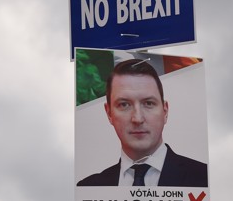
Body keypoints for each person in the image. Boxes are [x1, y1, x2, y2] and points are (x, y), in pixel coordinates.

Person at [77, 58, 208, 187]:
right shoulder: (87, 189)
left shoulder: (205, 179)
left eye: (148, 103)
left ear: (165, 111)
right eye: (124, 104)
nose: (137, 119)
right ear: (109, 113)